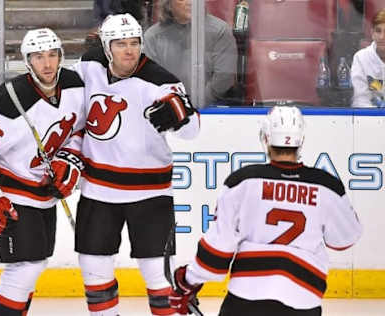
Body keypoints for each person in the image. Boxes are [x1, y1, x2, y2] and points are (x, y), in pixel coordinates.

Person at [168, 106, 362, 315]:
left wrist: (187, 281)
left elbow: (217, 254)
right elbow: (344, 239)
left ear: (266, 139)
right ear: (301, 141)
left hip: (247, 297)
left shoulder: (243, 181)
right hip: (303, 298)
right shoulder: (327, 186)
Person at [69, 13, 200, 316]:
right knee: (93, 268)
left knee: (157, 274)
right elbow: (68, 106)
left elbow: (193, 130)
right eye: (120, 44)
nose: (129, 50)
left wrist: (180, 113)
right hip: (98, 191)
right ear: (106, 46)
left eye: (134, 43)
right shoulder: (89, 66)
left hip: (150, 194)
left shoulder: (160, 80)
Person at [0, 28, 86, 315]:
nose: (47, 63)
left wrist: (70, 158)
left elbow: (81, 128)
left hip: (45, 193)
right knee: (25, 266)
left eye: (53, 55)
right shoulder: (9, 99)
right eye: (39, 56)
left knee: (35, 263)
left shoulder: (75, 85)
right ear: (28, 61)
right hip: (12, 192)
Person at [143, 0, 237, 108]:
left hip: (211, 110)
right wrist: (174, 104)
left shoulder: (220, 31)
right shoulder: (153, 36)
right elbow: (150, 79)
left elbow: (224, 77)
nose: (191, 2)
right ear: (168, 4)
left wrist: (194, 104)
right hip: (168, 108)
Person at [351, 8, 385, 107]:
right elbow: (360, 99)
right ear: (372, 33)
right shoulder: (361, 58)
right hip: (368, 118)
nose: (382, 37)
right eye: (378, 31)